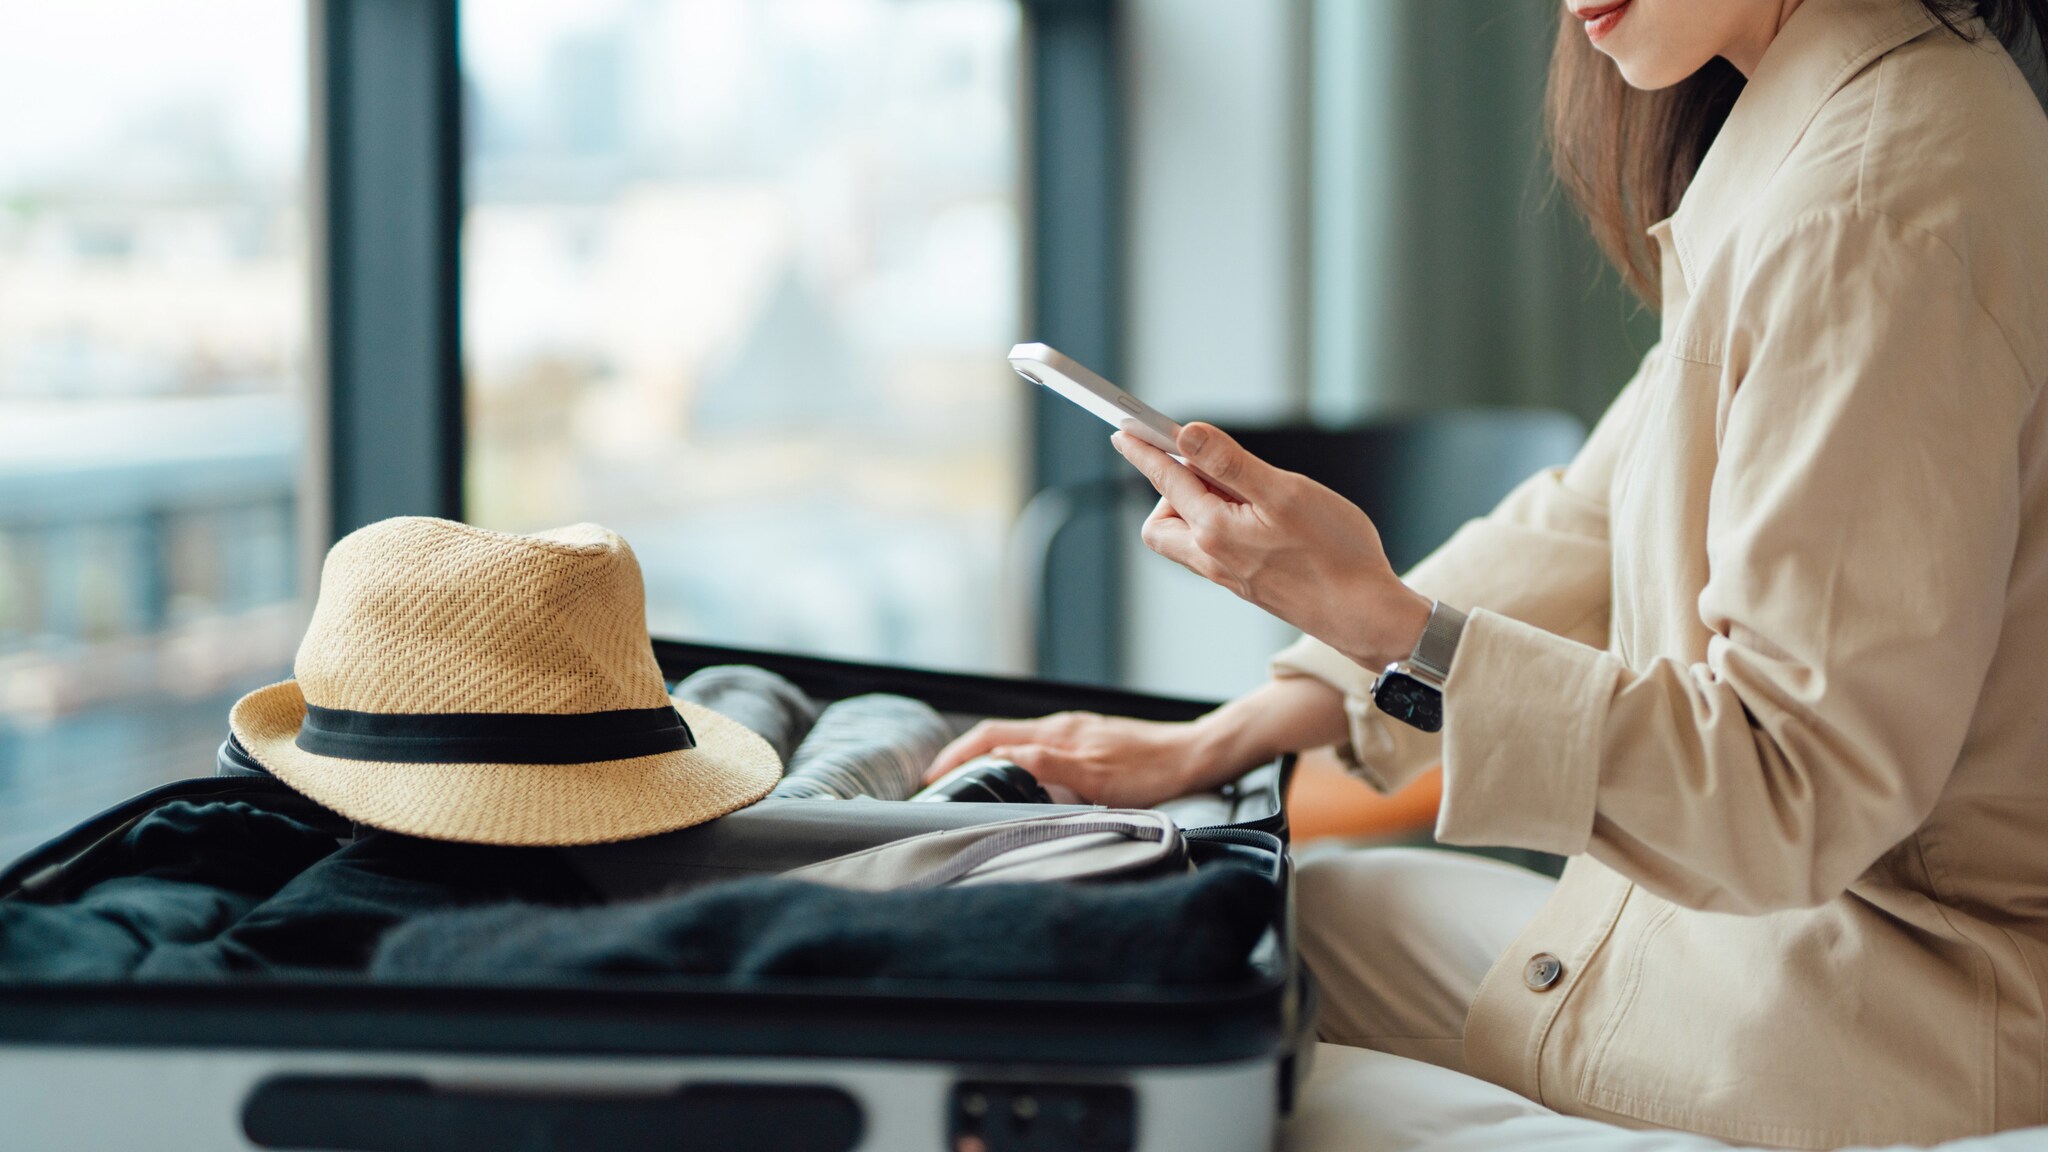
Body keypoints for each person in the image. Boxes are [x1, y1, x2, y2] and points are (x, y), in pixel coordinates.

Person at [926, 0, 2048, 1145]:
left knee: (1203, 993)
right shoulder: (1822, 127)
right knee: (1245, 907)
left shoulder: (1870, 197)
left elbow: (1785, 787)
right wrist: (1219, 737)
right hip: (1802, 955)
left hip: (1901, 1010)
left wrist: (1380, 621)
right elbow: (1585, 521)